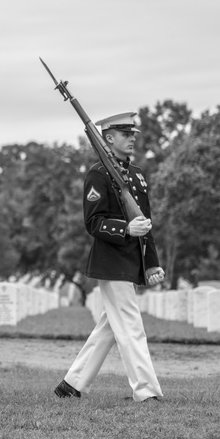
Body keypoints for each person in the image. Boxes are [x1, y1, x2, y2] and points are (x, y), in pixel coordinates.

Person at [54, 112, 165, 402]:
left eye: (133, 134)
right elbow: (94, 222)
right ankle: (146, 391)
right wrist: (126, 229)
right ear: (109, 138)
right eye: (125, 134)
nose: (132, 139)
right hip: (111, 260)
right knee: (130, 326)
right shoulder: (98, 174)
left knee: (110, 327)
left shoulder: (137, 175)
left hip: (132, 260)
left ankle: (71, 384)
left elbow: (145, 221)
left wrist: (151, 261)